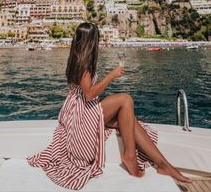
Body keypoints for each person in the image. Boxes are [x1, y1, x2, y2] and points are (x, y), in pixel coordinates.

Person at [27, 22, 191, 190]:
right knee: (126, 99)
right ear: (92, 41)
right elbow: (89, 94)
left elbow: (85, 92)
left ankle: (163, 164)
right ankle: (131, 157)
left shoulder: (76, 57)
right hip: (82, 111)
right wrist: (111, 76)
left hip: (76, 107)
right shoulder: (83, 63)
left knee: (128, 120)